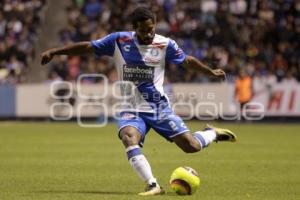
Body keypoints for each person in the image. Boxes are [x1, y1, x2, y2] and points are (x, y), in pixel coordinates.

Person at [41, 7, 237, 196]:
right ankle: (152, 184)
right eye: (143, 31)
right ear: (135, 28)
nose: (148, 34)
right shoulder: (118, 40)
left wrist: (209, 72)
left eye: (151, 29)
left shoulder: (164, 44)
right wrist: (55, 52)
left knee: (190, 146)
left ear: (155, 25)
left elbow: (186, 61)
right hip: (131, 107)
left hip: (156, 106)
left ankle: (212, 133)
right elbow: (88, 47)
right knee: (128, 136)